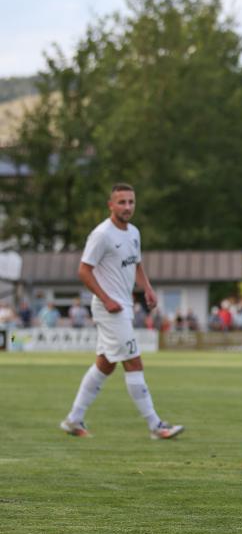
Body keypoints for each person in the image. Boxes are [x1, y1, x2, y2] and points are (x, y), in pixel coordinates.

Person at [59, 183, 183, 439]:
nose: (127, 207)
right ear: (111, 205)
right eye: (122, 202)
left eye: (131, 202)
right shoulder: (102, 234)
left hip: (122, 305)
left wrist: (147, 288)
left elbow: (136, 264)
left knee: (105, 365)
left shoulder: (134, 232)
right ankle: (155, 426)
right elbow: (83, 270)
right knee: (134, 361)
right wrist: (105, 299)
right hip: (109, 309)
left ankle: (73, 419)